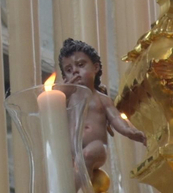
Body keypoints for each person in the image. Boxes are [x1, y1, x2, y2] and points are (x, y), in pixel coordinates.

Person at [59, 38, 146, 180]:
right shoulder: (66, 99)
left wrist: (129, 131)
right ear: (64, 77)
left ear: (95, 67)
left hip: (96, 147)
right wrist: (64, 92)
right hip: (72, 151)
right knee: (63, 169)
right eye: (68, 70)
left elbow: (115, 117)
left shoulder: (101, 99)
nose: (75, 71)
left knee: (88, 154)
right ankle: (68, 191)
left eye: (80, 65)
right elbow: (50, 109)